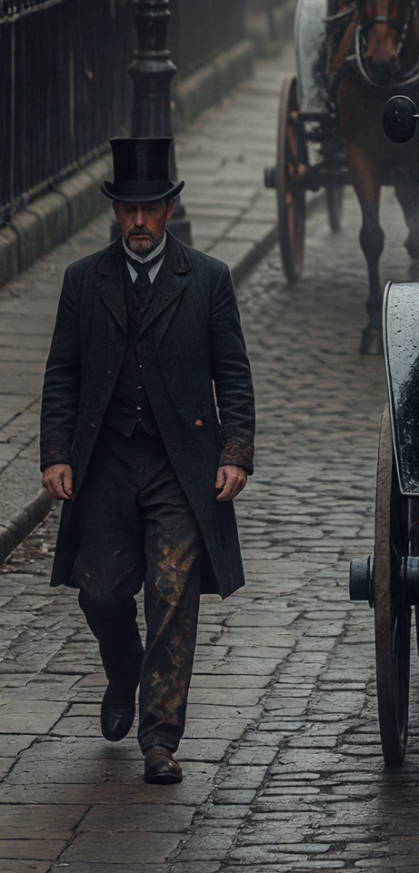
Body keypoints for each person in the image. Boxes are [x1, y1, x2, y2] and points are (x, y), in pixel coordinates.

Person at [39, 138, 256, 786]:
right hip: (104, 465)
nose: (138, 222)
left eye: (150, 208)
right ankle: (123, 668)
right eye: (128, 210)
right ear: (116, 213)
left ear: (169, 209)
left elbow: (233, 374)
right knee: (100, 591)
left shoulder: (208, 280)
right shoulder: (84, 282)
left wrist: (235, 452)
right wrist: (55, 454)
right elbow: (61, 376)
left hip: (178, 468)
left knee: (171, 594)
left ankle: (160, 737)